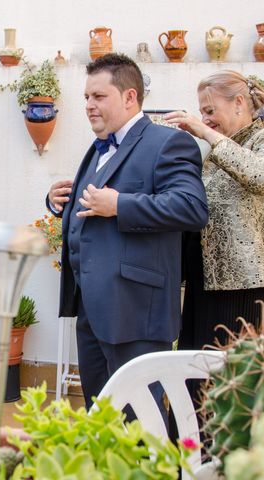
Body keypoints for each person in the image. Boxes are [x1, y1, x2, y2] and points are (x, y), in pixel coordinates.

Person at [46, 53, 208, 410]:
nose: (89, 105)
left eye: (99, 97)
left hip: (137, 313)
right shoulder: (97, 148)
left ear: (130, 96)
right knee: (100, 416)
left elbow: (192, 208)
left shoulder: (168, 143)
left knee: (139, 422)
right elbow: (96, 206)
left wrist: (120, 205)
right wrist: (61, 202)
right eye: (86, 97)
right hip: (92, 309)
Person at [164, 71, 264, 351]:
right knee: (195, 371)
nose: (205, 119)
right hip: (202, 279)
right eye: (201, 113)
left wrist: (205, 132)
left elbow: (263, 176)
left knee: (229, 377)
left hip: (241, 283)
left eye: (210, 111)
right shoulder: (214, 152)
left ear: (239, 103)